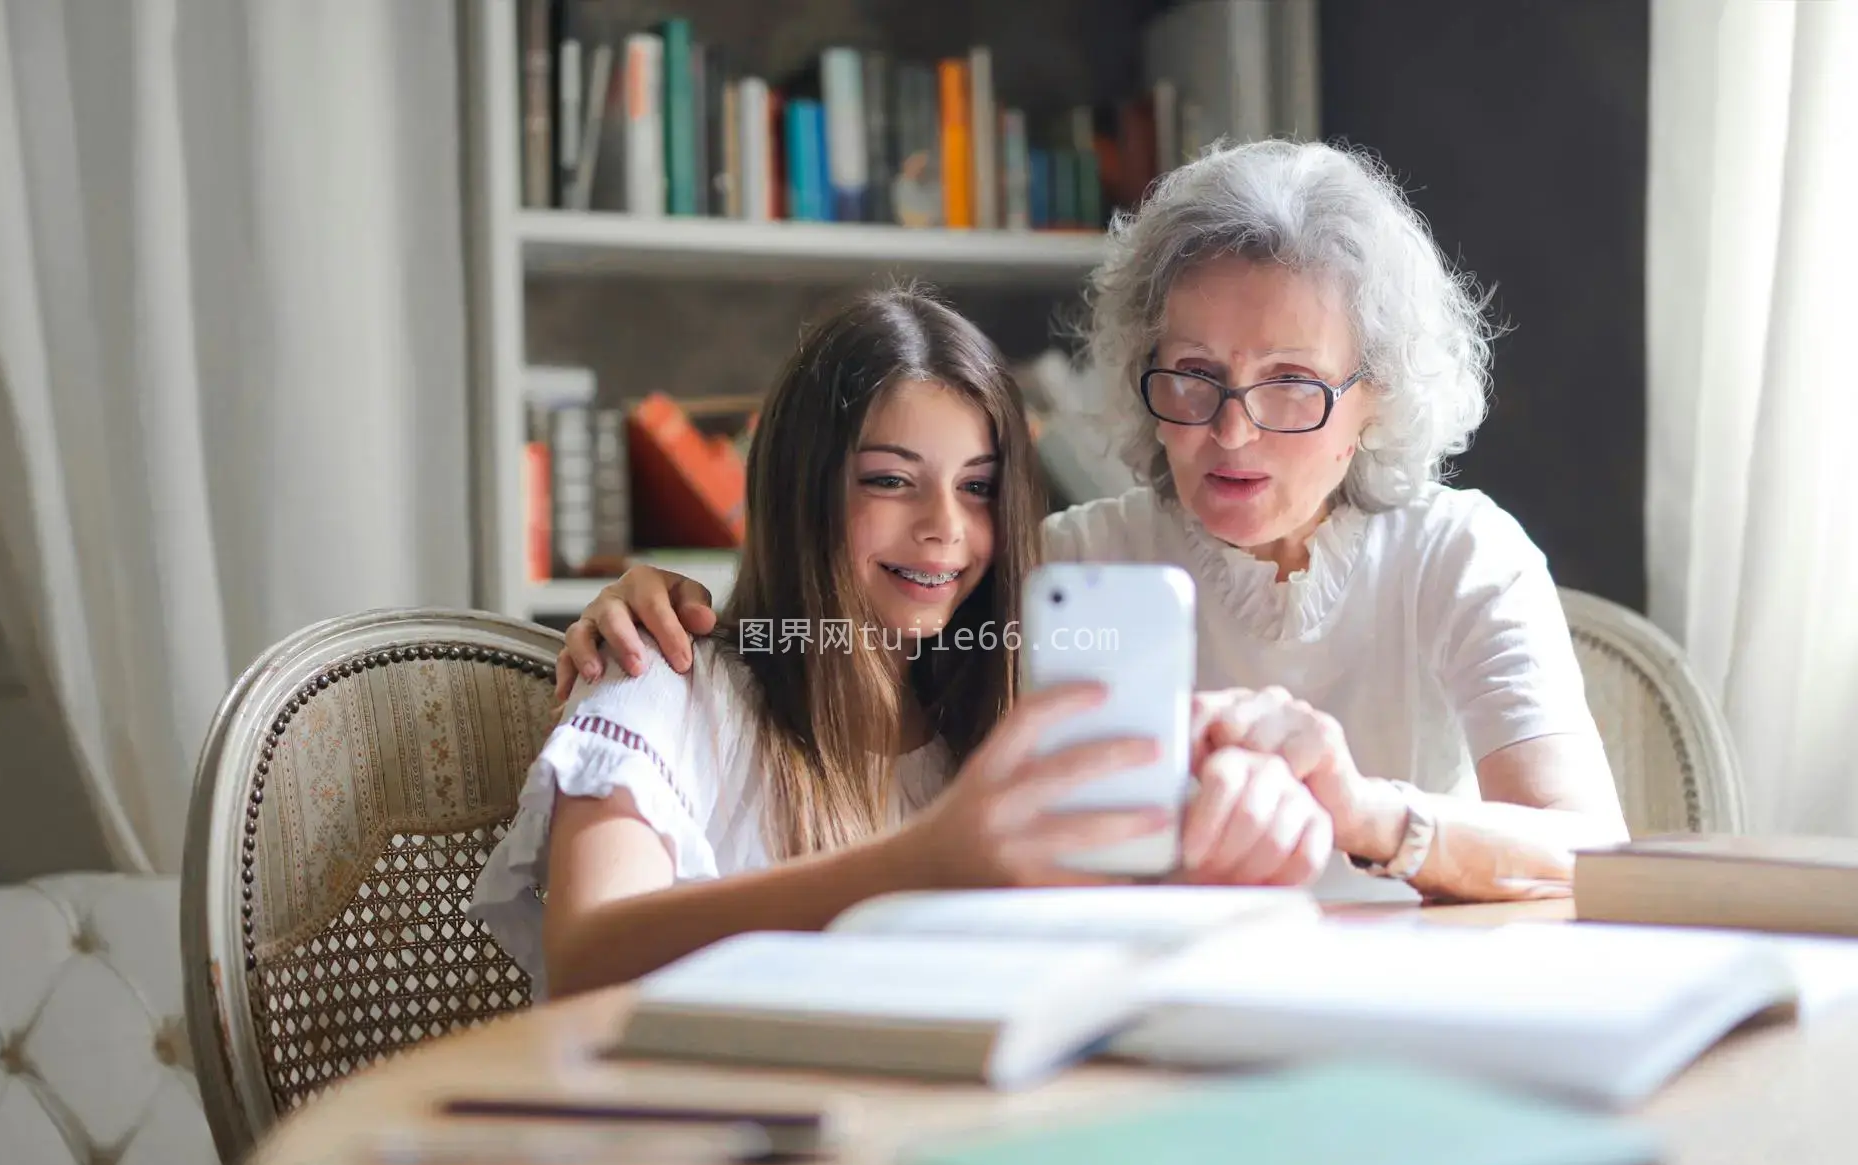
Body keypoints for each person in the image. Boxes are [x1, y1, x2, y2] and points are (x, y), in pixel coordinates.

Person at [553, 140, 1629, 905]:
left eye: (1291, 384)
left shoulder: (1460, 552)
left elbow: (1589, 851)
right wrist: (667, 606)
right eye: (1193, 376)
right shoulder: (1064, 565)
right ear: (1137, 368)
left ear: (1375, 397)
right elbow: (843, 636)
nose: (1231, 432)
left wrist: (1364, 812)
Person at [468, 288, 1333, 1000]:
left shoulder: (996, 720)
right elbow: (585, 955)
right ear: (802, 488)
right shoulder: (664, 678)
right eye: (890, 481)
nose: (944, 531)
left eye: (979, 488)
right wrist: (919, 864)